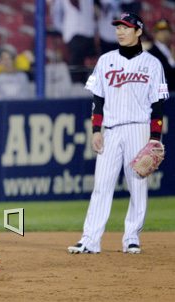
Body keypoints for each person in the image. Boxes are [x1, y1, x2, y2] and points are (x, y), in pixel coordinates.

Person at [68, 13, 169, 254]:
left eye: (126, 27)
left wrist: (155, 138)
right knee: (102, 186)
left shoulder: (152, 63)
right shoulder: (105, 60)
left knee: (137, 185)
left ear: (138, 31)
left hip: (139, 128)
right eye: (118, 28)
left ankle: (132, 238)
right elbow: (98, 99)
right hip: (111, 130)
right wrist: (96, 130)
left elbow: (158, 105)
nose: (120, 31)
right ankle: (90, 240)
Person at [148, 19, 175, 92]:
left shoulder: (171, 50)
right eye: (161, 31)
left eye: (167, 31)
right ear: (154, 33)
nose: (164, 33)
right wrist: (172, 61)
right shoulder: (150, 53)